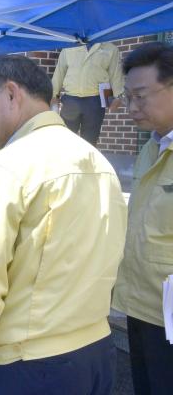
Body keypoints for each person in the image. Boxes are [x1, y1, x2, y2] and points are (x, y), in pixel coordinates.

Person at [0, 55, 127, 395]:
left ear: (12, 94)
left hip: (28, 364)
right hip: (97, 351)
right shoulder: (99, 162)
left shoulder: (7, 165)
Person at [111, 42, 173, 395]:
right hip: (143, 305)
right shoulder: (152, 145)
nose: (131, 108)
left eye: (141, 96)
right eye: (127, 96)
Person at [51, 42, 124, 146]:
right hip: (70, 99)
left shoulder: (110, 49)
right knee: (65, 139)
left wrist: (118, 96)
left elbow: (115, 73)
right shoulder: (69, 47)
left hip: (95, 101)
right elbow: (60, 70)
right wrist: (54, 94)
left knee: (90, 140)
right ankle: (66, 161)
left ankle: (86, 161)